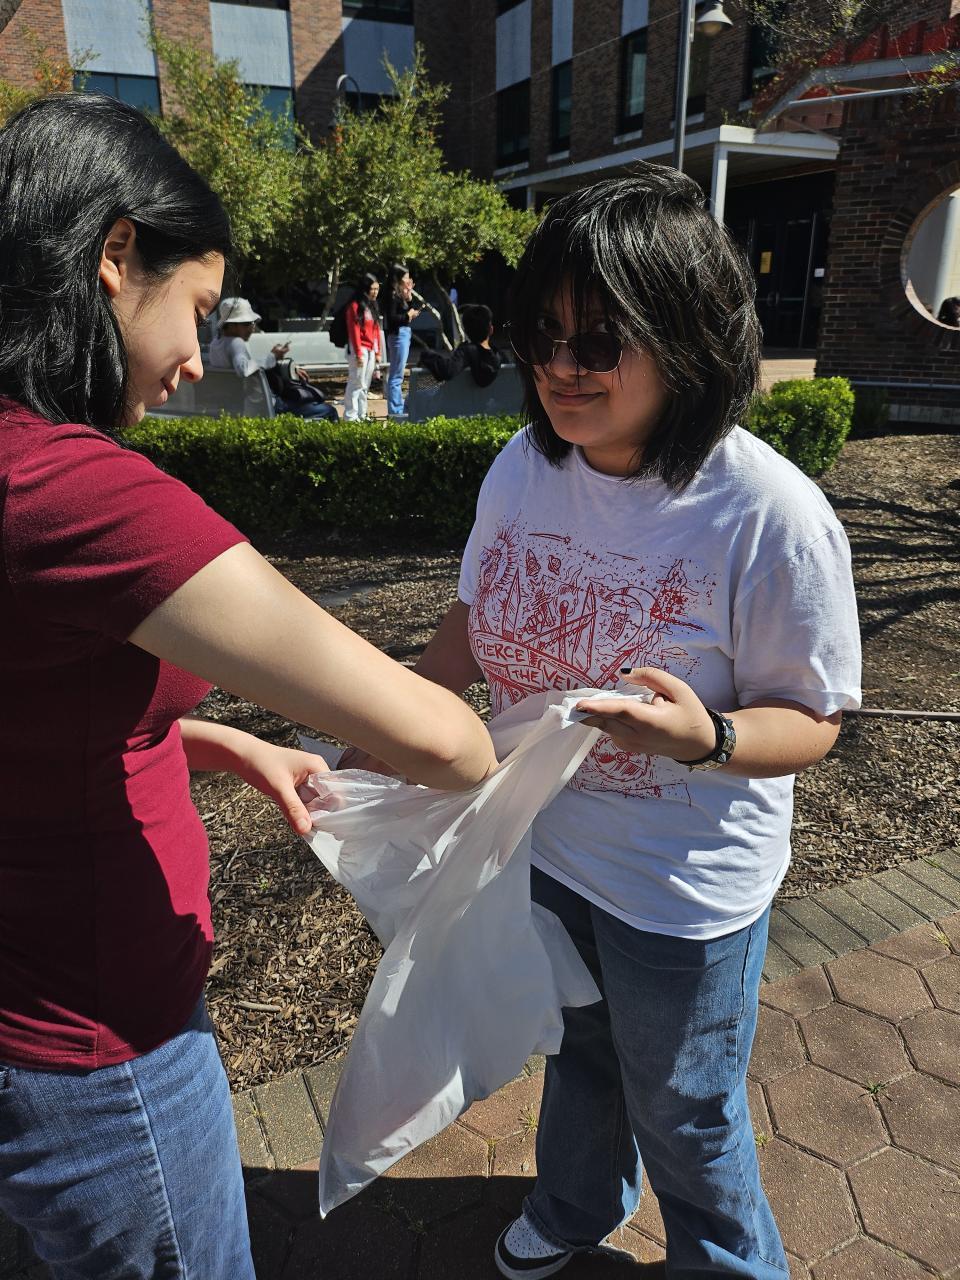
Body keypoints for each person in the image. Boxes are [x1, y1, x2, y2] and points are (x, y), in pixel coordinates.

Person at [0, 93, 497, 1280]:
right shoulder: (81, 495)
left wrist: (224, 743)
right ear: (115, 255)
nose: (195, 359)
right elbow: (443, 741)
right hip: (104, 1050)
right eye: (199, 309)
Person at [342, 167, 861, 1278]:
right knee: (580, 1052)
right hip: (549, 844)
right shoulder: (524, 467)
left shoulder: (768, 513)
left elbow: (813, 718)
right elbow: (472, 622)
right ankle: (580, 1202)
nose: (560, 367)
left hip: (683, 889)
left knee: (685, 1105)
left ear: (687, 339)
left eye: (599, 340)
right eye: (543, 334)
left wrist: (710, 739)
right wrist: (377, 731)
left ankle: (729, 1262)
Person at [209, 296, 337, 420]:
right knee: (329, 411)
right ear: (231, 325)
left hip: (235, 405)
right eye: (247, 323)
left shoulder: (216, 344)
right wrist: (273, 356)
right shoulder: (236, 342)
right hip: (263, 406)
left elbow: (245, 367)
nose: (252, 327)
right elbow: (243, 369)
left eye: (253, 323)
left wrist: (276, 361)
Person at [419, 304, 502, 387]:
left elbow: (448, 371)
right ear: (491, 330)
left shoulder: (467, 351)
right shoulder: (499, 355)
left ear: (465, 331)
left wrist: (426, 355)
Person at [343, 272, 382, 420]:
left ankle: (362, 414)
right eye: (372, 289)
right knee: (356, 382)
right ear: (365, 289)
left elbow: (376, 330)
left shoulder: (371, 306)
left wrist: (377, 352)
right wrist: (358, 353)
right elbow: (354, 332)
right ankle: (351, 416)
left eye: (377, 289)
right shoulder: (354, 306)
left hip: (370, 350)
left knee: (365, 385)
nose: (375, 292)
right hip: (359, 350)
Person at [384, 264, 421, 416]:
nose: (408, 280)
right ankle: (395, 410)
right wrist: (408, 316)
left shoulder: (399, 294)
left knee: (398, 374)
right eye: (406, 277)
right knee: (396, 375)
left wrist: (409, 296)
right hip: (398, 335)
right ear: (398, 278)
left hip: (404, 333)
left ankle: (397, 408)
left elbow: (406, 310)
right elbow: (392, 319)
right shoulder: (392, 295)